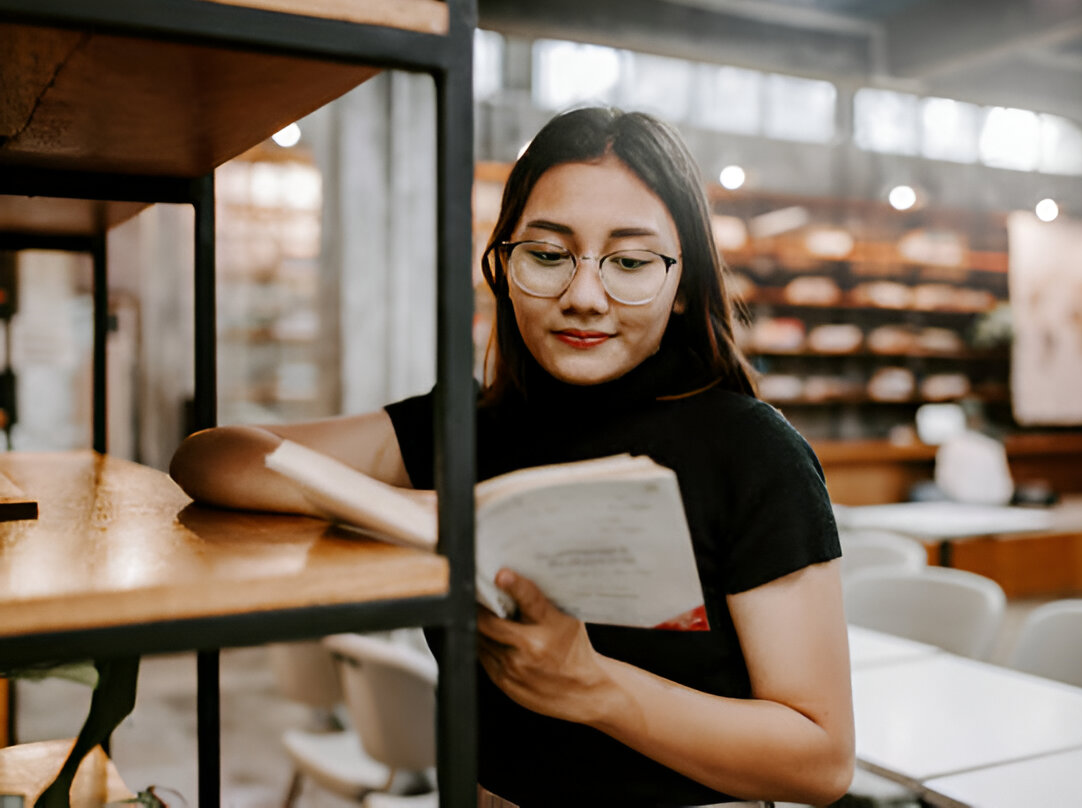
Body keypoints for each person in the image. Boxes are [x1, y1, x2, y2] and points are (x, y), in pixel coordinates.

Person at [170, 107, 854, 808]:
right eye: (548, 255)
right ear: (503, 266)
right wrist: (441, 514)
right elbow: (212, 459)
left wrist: (593, 687)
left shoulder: (753, 453)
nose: (584, 297)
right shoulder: (464, 428)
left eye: (630, 262)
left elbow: (821, 762)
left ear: (682, 287)